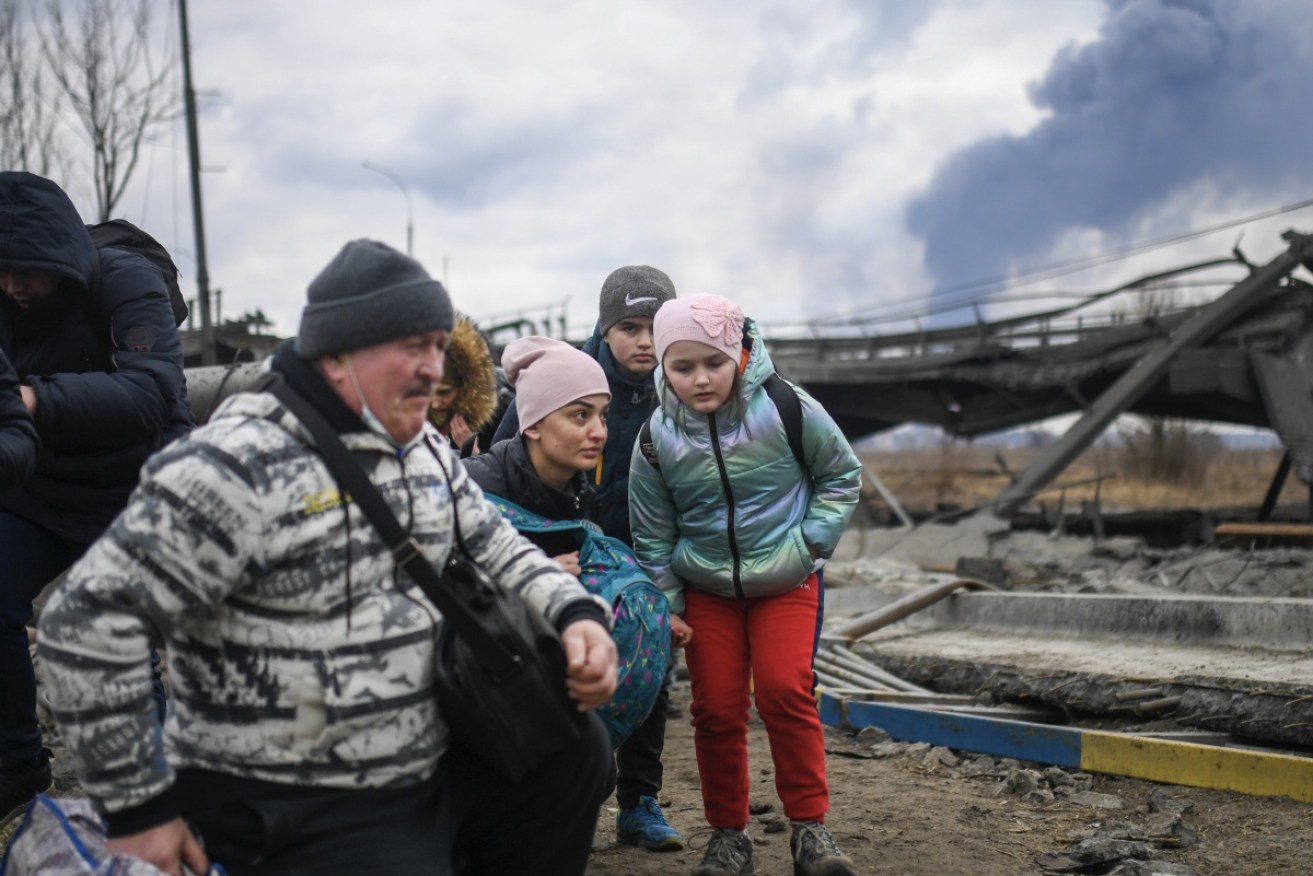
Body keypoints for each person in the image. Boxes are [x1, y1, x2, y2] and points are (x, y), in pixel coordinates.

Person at [37, 239, 619, 876]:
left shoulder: (421, 446)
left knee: (575, 754)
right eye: (411, 348)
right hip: (292, 796)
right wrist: (138, 808)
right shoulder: (235, 464)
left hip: (420, 753)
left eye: (436, 345)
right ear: (338, 354)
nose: (434, 368)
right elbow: (84, 623)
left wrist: (575, 615)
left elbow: (495, 546)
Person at [628, 293, 863, 876]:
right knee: (716, 710)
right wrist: (671, 603)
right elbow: (652, 532)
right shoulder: (656, 438)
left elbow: (841, 475)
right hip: (706, 590)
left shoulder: (787, 406)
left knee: (785, 691)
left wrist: (809, 545)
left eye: (713, 362)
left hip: (787, 580)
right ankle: (728, 838)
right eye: (682, 367)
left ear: (739, 352)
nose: (700, 378)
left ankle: (810, 831)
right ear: (663, 368)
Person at [0, 171, 193, 829]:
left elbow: (150, 393)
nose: (11, 285)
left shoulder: (126, 281)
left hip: (131, 487)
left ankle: (154, 810)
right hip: (43, 488)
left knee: (117, 639)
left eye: (23, 268)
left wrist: (29, 399)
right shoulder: (5, 303)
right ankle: (17, 770)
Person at [492, 265, 685, 850]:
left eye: (656, 326)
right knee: (569, 666)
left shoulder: (680, 385)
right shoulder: (566, 377)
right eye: (629, 327)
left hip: (644, 547)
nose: (645, 341)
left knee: (652, 671)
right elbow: (511, 456)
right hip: (565, 544)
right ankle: (568, 786)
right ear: (605, 328)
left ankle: (640, 801)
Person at [427, 313, 499, 455]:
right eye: (428, 391)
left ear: (467, 386)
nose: (435, 403)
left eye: (444, 392)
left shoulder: (498, 414)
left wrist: (472, 452)